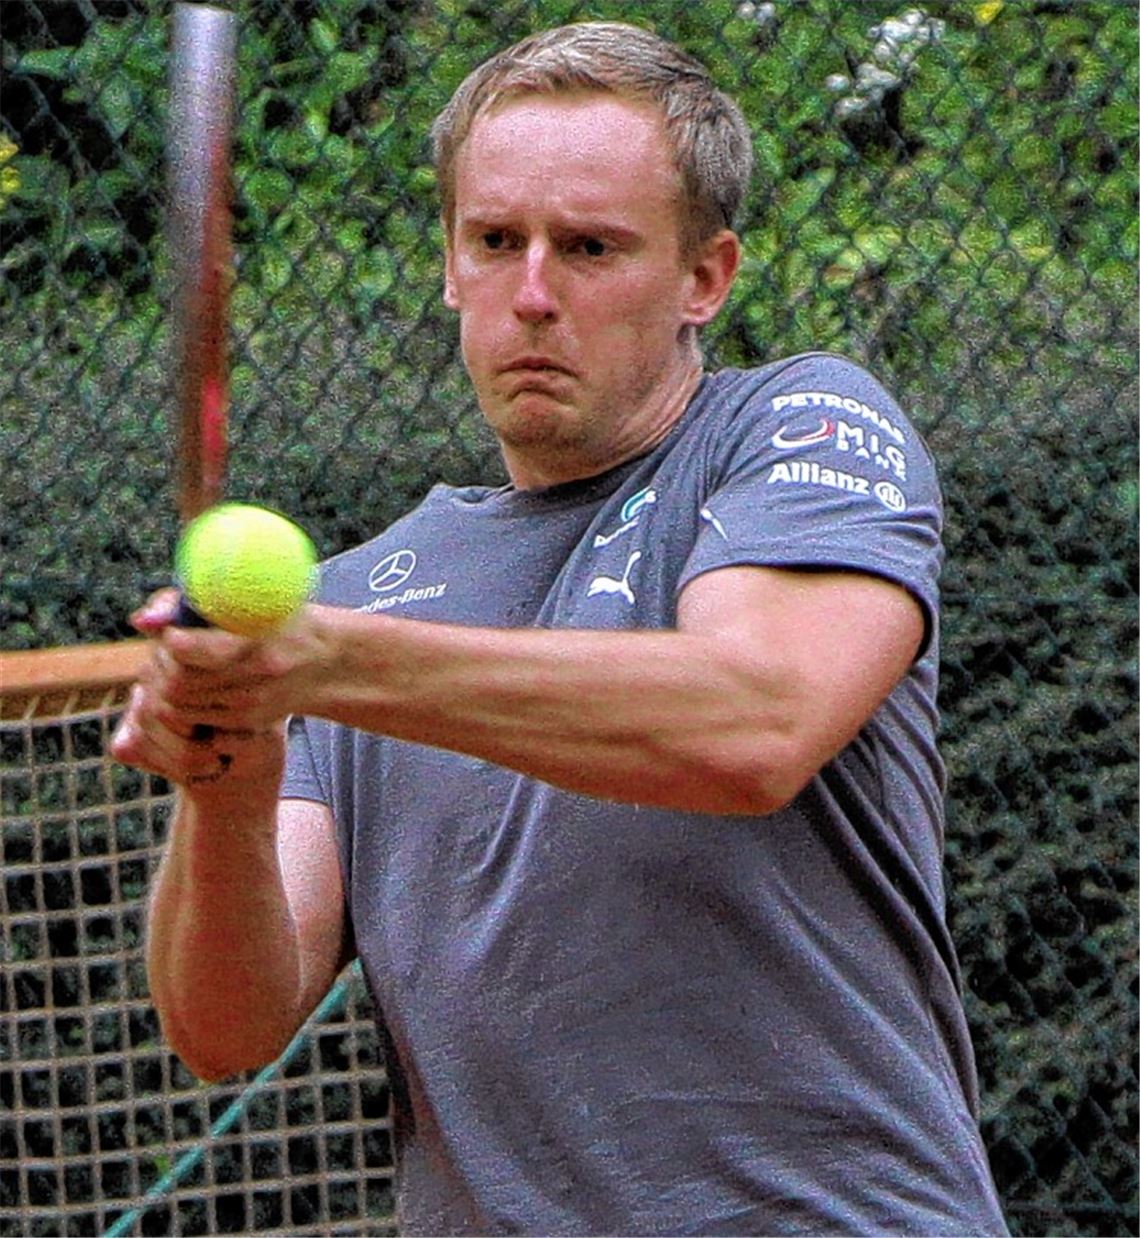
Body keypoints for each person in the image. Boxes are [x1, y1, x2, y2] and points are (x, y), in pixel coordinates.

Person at [112, 21, 1008, 1236]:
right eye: (495, 241)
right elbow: (225, 1026)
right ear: (450, 265)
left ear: (705, 277)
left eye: (589, 247)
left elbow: (758, 720)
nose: (532, 294)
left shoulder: (799, 428)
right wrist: (228, 782)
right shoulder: (355, 596)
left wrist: (330, 662)